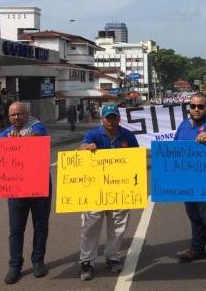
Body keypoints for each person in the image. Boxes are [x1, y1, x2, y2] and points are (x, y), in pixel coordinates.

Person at [78, 104, 139, 281]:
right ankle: (87, 261)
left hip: (120, 189)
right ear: (102, 119)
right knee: (90, 226)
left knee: (118, 226)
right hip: (95, 189)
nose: (111, 121)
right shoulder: (94, 134)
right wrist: (86, 147)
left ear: (119, 118)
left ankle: (112, 257)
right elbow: (81, 147)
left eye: (114, 117)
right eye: (108, 117)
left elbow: (136, 160)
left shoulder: (128, 136)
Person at [0, 102, 52, 285]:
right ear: (8, 117)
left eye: (20, 114)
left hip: (39, 184)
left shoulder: (37, 126)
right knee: (16, 229)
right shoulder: (7, 132)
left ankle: (38, 261)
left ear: (27, 114)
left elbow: (38, 138)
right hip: (17, 187)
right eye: (13, 115)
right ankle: (14, 266)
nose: (16, 118)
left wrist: (19, 141)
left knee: (40, 225)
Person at [174, 92, 206, 282]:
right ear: (189, 107)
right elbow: (174, 149)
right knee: (194, 217)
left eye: (200, 106)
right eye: (193, 106)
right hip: (188, 182)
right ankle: (197, 249)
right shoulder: (183, 125)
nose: (196, 109)